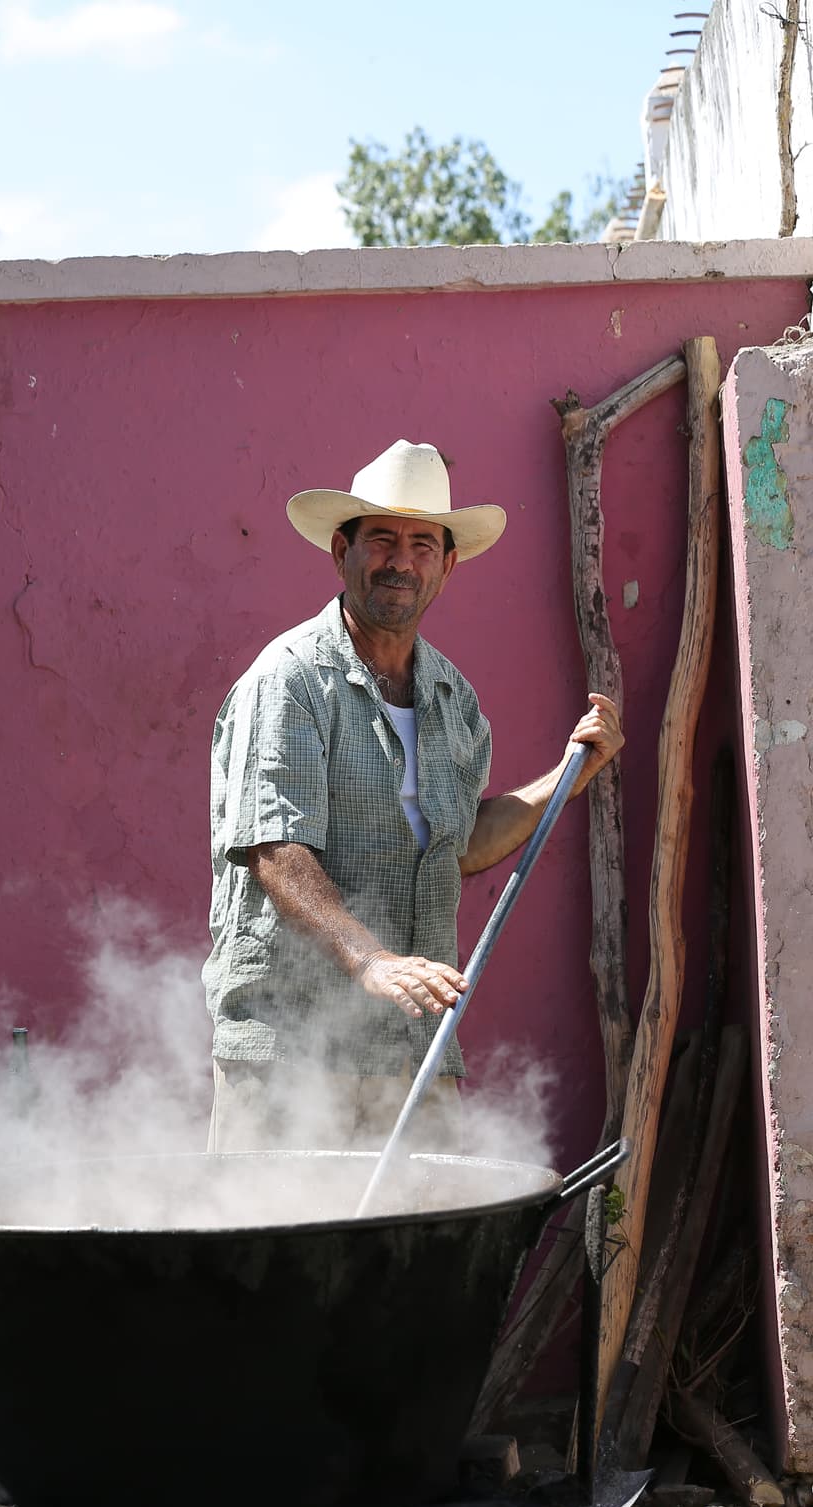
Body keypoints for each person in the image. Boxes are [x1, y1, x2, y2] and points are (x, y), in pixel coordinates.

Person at [203, 439, 624, 1153]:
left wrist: (569, 776)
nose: (402, 561)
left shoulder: (453, 700)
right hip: (291, 1057)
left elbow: (458, 848)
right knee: (274, 1259)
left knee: (415, 1257)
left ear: (447, 565)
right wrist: (371, 960)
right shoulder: (291, 679)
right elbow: (276, 848)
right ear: (343, 551)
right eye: (384, 540)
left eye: (423, 544)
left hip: (415, 1055)